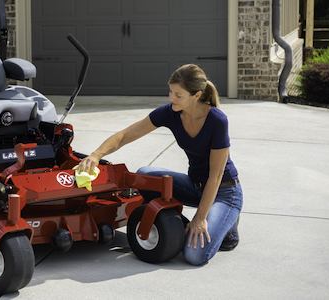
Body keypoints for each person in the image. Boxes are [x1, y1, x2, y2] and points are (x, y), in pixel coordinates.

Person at [76, 64, 243, 266]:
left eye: (178, 95)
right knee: (144, 176)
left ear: (196, 95)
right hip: (194, 185)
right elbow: (125, 135)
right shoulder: (170, 113)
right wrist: (95, 155)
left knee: (194, 255)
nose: (171, 98)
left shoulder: (217, 121)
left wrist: (200, 218)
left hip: (225, 193)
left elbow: (216, 176)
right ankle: (190, 227)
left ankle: (227, 223)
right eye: (171, 92)